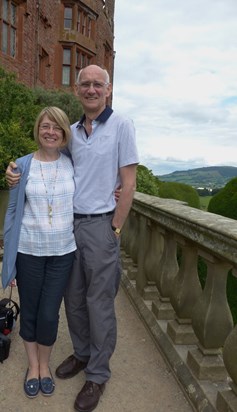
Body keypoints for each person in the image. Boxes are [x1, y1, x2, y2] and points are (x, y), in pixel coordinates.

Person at [6, 64, 139, 412]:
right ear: (77, 90)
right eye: (85, 84)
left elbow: (129, 183)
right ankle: (82, 353)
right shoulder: (73, 132)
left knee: (99, 302)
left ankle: (97, 373)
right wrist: (14, 171)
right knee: (74, 300)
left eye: (98, 84)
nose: (92, 89)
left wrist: (116, 228)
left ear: (107, 90)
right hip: (68, 227)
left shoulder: (122, 125)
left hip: (100, 226)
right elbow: (46, 160)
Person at [2, 107, 76, 399]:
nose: (51, 132)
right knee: (31, 311)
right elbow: (11, 213)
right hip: (29, 251)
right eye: (46, 126)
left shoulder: (72, 163)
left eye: (57, 127)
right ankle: (33, 368)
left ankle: (45, 365)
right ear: (38, 129)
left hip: (63, 253)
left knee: (49, 314)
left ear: (64, 133)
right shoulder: (21, 166)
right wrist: (8, 260)